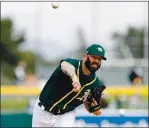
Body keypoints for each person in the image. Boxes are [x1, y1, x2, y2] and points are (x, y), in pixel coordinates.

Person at [32, 44, 107, 127]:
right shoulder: (72, 64)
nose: (96, 61)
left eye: (99, 59)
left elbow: (92, 109)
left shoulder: (95, 83)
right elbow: (64, 65)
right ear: (85, 56)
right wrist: (74, 77)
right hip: (43, 111)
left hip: (66, 114)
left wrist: (96, 109)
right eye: (94, 57)